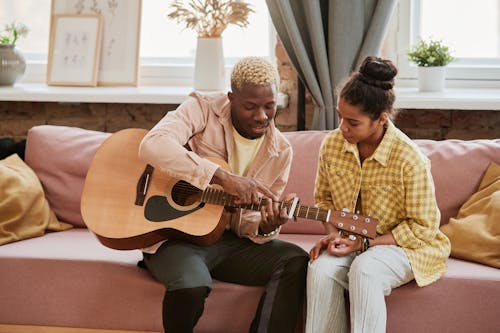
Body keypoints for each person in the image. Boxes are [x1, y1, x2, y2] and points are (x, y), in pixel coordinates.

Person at [138, 57, 309, 333]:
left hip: (229, 243)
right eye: (250, 106)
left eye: (269, 106)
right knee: (192, 285)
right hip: (175, 237)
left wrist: (266, 226)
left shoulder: (281, 151)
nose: (262, 116)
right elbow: (153, 145)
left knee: (295, 260)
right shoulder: (202, 109)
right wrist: (222, 178)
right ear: (231, 98)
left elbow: (249, 224)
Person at [305, 56, 451, 333]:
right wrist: (335, 235)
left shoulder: (409, 158)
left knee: (365, 268)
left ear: (381, 119)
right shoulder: (332, 145)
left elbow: (424, 227)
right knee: (320, 271)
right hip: (353, 239)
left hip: (404, 246)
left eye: (353, 122)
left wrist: (365, 245)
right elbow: (324, 201)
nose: (342, 128)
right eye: (340, 117)